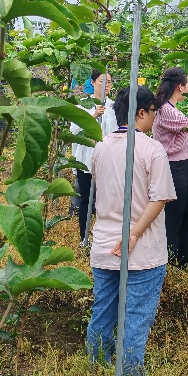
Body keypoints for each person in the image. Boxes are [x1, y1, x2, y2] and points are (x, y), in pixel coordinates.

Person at [86, 85, 176, 376]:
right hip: (142, 253)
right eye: (153, 111)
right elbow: (159, 198)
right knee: (135, 323)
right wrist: (134, 235)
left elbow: (101, 190)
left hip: (104, 248)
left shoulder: (101, 148)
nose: (154, 117)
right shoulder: (151, 149)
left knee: (102, 316)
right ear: (140, 112)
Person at [153, 67, 188, 267]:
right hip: (173, 167)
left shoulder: (172, 108)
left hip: (184, 166)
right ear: (181, 86)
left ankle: (184, 260)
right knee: (174, 216)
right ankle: (168, 261)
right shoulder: (165, 110)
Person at [71, 70, 117, 246]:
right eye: (102, 82)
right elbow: (74, 131)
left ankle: (104, 238)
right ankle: (84, 238)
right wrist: (94, 115)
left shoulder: (113, 107)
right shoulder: (83, 105)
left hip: (108, 161)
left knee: (106, 201)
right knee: (86, 199)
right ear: (93, 82)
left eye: (109, 82)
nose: (106, 86)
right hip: (87, 161)